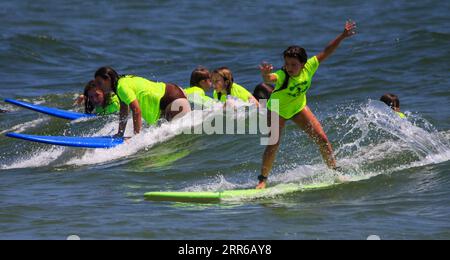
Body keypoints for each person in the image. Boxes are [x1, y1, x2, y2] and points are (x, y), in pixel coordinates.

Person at [257, 20, 357, 189]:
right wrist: (266, 74)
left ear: (303, 64)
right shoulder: (282, 75)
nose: (289, 67)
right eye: (287, 64)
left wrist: (342, 36)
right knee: (273, 145)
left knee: (323, 139)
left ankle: (335, 172)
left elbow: (327, 51)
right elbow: (270, 78)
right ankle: (262, 180)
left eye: (293, 65)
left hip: (298, 107)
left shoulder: (310, 66)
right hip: (276, 110)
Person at [93, 67, 191, 137]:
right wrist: (120, 133)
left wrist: (136, 138)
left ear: (108, 79)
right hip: (174, 94)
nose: (98, 87)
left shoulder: (121, 87)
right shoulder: (123, 81)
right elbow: (124, 110)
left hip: (173, 101)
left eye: (99, 83)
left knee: (172, 139)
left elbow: (137, 111)